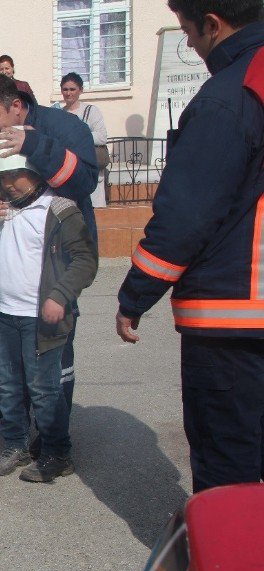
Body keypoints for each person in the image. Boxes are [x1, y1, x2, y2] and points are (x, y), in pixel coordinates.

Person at [115, 0, 264, 492]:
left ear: (213, 25)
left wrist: (134, 297)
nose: (191, 45)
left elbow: (186, 217)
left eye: (188, 31)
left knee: (229, 466)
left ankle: (227, 567)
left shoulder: (227, 97)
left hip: (232, 321)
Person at [0, 73, 98, 423]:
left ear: (17, 107)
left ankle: (53, 428)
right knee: (3, 339)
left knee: (53, 347)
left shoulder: (64, 128)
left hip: (56, 258)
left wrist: (32, 146)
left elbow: (84, 182)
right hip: (9, 258)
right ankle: (5, 410)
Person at [0, 139, 97, 482]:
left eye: (13, 176)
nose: (5, 185)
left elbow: (85, 260)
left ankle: (57, 453)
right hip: (4, 315)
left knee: (44, 388)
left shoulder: (60, 210)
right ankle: (16, 445)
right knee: (8, 383)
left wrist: (60, 295)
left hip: (43, 320)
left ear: (34, 172)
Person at [56, 72, 109, 208]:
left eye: (72, 89)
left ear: (80, 90)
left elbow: (102, 137)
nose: (68, 93)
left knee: (93, 212)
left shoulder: (91, 111)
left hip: (89, 170)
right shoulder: (59, 114)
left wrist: (77, 136)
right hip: (69, 171)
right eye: (65, 89)